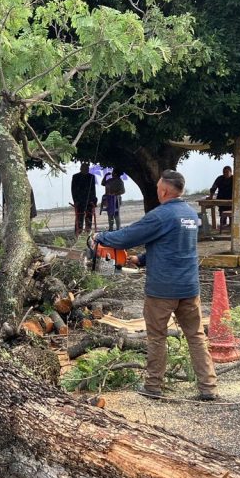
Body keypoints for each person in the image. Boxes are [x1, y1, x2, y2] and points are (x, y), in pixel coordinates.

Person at [94, 171, 218, 401]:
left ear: (164, 191)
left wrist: (101, 237)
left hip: (162, 289)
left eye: (158, 188)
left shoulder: (161, 215)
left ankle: (153, 386)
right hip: (189, 287)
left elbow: (128, 236)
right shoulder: (190, 214)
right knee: (196, 336)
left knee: (156, 337)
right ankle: (208, 387)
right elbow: (173, 244)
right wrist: (141, 259)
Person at [71, 163, 98, 235]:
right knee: (79, 217)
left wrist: (94, 201)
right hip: (79, 200)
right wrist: (75, 201)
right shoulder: (75, 177)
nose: (86, 170)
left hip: (89, 200)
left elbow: (93, 190)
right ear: (81, 169)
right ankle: (78, 233)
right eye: (84, 168)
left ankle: (88, 232)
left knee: (89, 216)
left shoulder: (91, 177)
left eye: (87, 169)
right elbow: (73, 190)